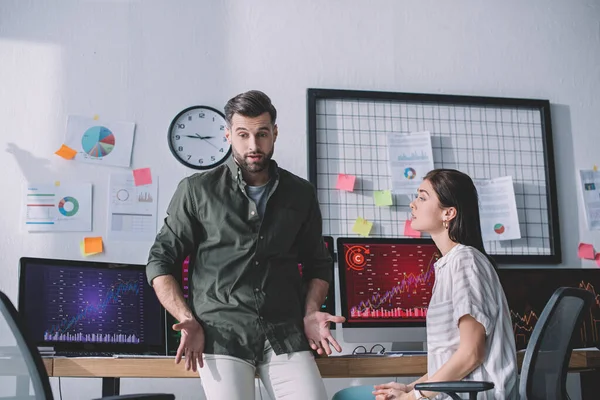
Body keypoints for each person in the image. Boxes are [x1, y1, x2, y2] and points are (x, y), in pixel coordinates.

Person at [146, 90, 344, 400]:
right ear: (227, 135)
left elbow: (317, 263)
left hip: (285, 331)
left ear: (274, 133)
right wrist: (186, 317)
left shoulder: (300, 193)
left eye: (262, 134)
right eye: (243, 134)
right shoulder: (196, 191)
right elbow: (160, 261)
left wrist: (310, 313)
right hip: (220, 333)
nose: (254, 145)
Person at [373, 169, 517, 400]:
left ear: (448, 213)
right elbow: (451, 360)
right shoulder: (449, 263)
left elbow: (471, 354)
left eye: (422, 197)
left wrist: (413, 398)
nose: (413, 204)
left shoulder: (465, 261)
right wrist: (411, 388)